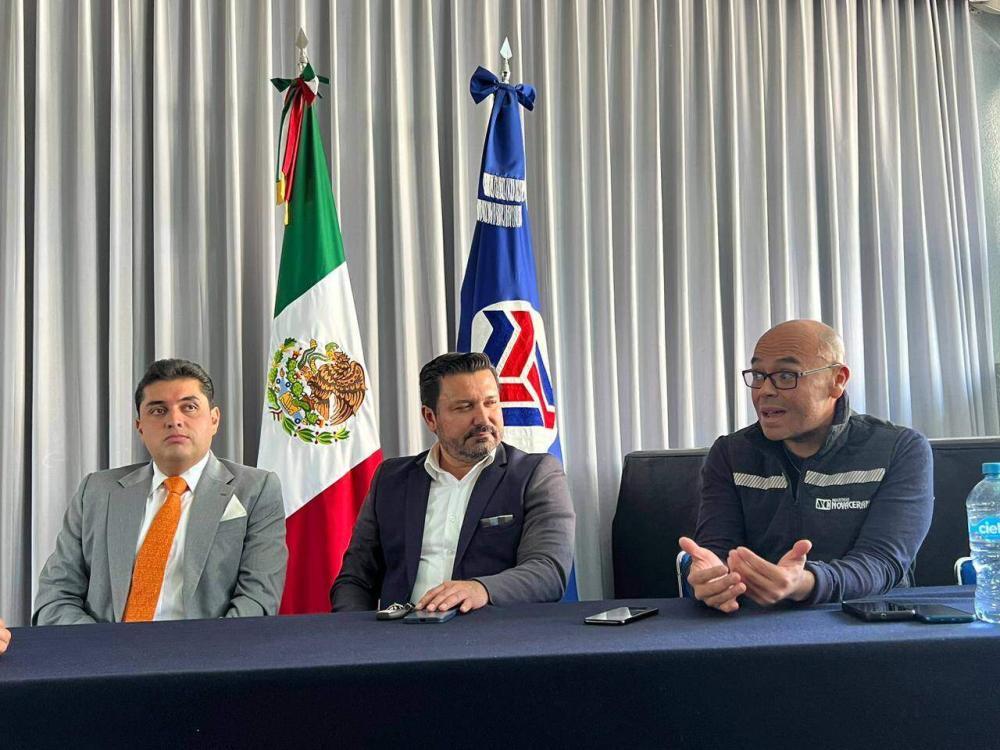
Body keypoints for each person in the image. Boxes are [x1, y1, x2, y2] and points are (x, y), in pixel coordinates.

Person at [680, 319, 933, 612]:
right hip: (753, 621)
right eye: (759, 375)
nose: (764, 391)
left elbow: (882, 562)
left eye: (786, 375)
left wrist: (805, 583)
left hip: (867, 619)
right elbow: (716, 552)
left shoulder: (899, 449)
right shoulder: (730, 454)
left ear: (837, 380)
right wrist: (712, 580)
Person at [33, 359, 287, 625]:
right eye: (158, 410)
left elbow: (256, 601)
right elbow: (55, 598)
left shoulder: (256, 490)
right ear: (140, 427)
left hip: (208, 648)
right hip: (102, 647)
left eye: (189, 407)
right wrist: (105, 647)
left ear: (214, 420)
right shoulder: (96, 491)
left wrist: (201, 649)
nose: (174, 420)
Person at [332, 352, 575, 613]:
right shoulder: (391, 479)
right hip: (399, 631)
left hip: (487, 631)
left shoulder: (536, 475)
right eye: (464, 407)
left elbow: (547, 571)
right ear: (430, 418)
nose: (483, 419)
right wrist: (354, 631)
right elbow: (356, 578)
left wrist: (480, 589)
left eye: (491, 403)